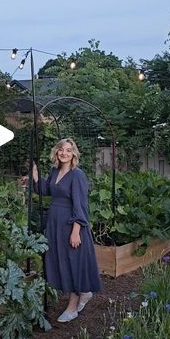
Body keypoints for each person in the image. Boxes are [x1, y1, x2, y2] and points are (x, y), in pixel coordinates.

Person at [33, 138, 102, 322]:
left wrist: (76, 230)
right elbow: (47, 190)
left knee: (72, 262)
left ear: (74, 154)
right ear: (56, 152)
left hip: (70, 224)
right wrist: (33, 175)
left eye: (69, 150)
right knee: (61, 260)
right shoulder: (55, 171)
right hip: (55, 223)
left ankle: (72, 307)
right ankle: (84, 292)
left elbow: (80, 204)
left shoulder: (77, 175)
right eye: (61, 150)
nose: (64, 153)